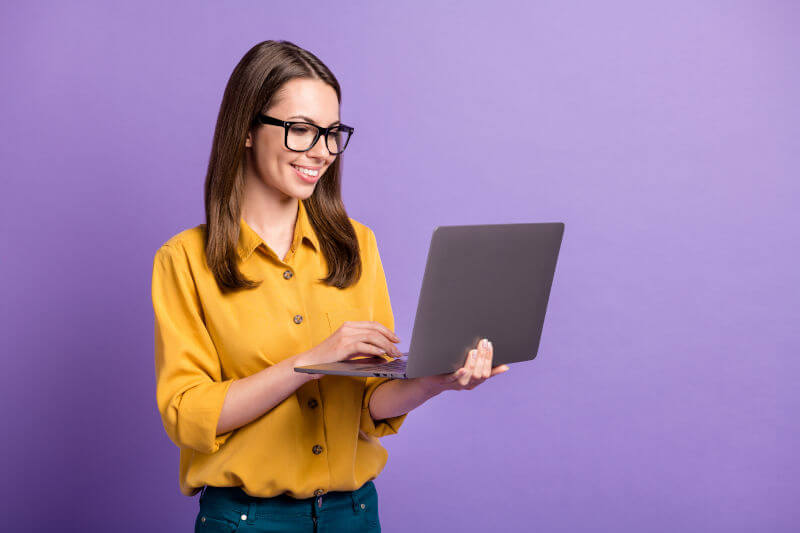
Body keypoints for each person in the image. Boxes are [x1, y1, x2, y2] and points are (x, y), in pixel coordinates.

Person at [151, 39, 510, 532]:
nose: (321, 153)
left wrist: (433, 382)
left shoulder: (358, 245)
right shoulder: (184, 260)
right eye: (301, 130)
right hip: (246, 519)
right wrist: (312, 362)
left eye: (331, 133)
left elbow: (366, 407)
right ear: (247, 130)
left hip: (354, 514)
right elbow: (188, 414)